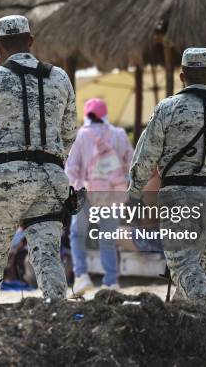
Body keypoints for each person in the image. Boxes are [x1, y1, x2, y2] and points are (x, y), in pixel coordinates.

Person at [0, 15, 77, 300]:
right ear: (31, 41)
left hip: (7, 177)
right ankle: (56, 310)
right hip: (52, 177)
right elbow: (70, 133)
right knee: (47, 255)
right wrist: (51, 161)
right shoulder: (59, 77)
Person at [128, 48, 206, 303]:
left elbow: (145, 157)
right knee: (198, 264)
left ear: (181, 77)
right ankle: (183, 315)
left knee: (182, 264)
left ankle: (204, 301)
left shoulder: (167, 108)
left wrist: (134, 193)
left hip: (177, 196)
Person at [66, 98, 133, 294]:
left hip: (87, 192)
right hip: (112, 194)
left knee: (77, 234)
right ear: (105, 115)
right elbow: (132, 163)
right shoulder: (120, 135)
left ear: (86, 115)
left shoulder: (81, 135)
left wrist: (80, 188)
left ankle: (82, 276)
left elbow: (71, 169)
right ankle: (111, 281)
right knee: (108, 238)